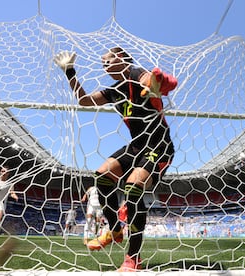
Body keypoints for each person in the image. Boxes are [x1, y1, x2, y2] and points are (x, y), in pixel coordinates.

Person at [54, 47, 177, 271]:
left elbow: (156, 81)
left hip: (158, 145)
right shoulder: (115, 91)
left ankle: (133, 258)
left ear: (122, 59)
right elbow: (84, 101)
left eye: (108, 59)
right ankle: (115, 230)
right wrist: (70, 72)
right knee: (101, 175)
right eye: (102, 61)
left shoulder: (136, 74)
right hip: (137, 145)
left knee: (133, 189)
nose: (104, 64)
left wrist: (160, 82)